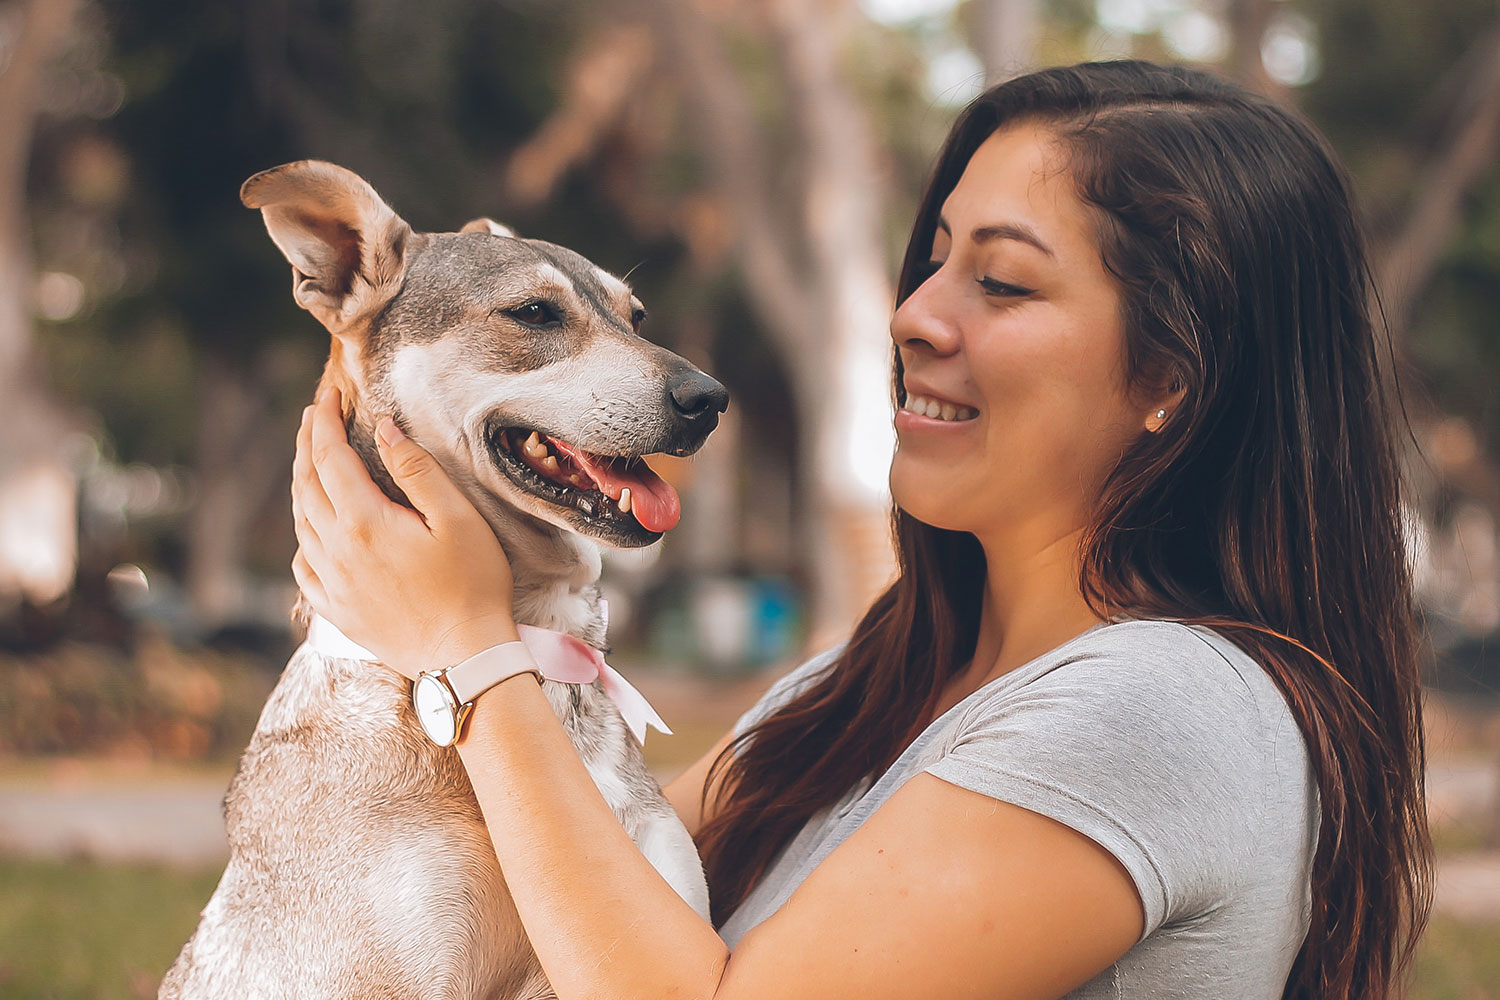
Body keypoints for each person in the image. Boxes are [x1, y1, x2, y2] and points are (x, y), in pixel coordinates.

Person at [289, 61, 1432, 999]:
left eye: (1002, 282)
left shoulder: (1163, 707)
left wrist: (470, 648)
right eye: (934, 259)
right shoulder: (860, 687)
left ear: (1171, 378)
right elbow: (564, 911)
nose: (913, 314)